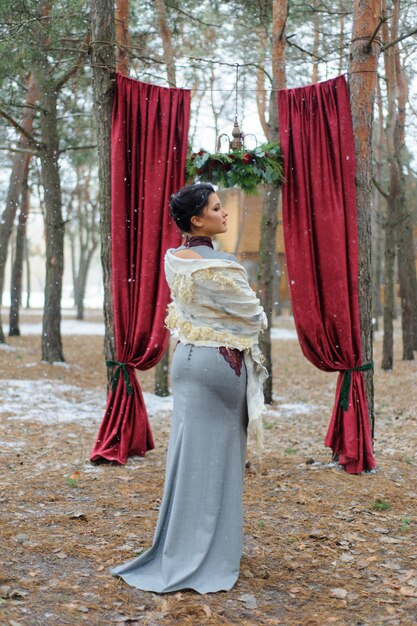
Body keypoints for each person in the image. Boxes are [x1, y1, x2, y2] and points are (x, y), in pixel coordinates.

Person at [111, 183, 268, 594]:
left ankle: (179, 547)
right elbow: (254, 317)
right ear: (197, 219)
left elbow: (189, 310)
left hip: (184, 361)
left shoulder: (173, 259)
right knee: (221, 459)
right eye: (217, 209)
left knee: (187, 460)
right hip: (219, 363)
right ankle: (209, 554)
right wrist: (247, 311)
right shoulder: (223, 264)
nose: (225, 213)